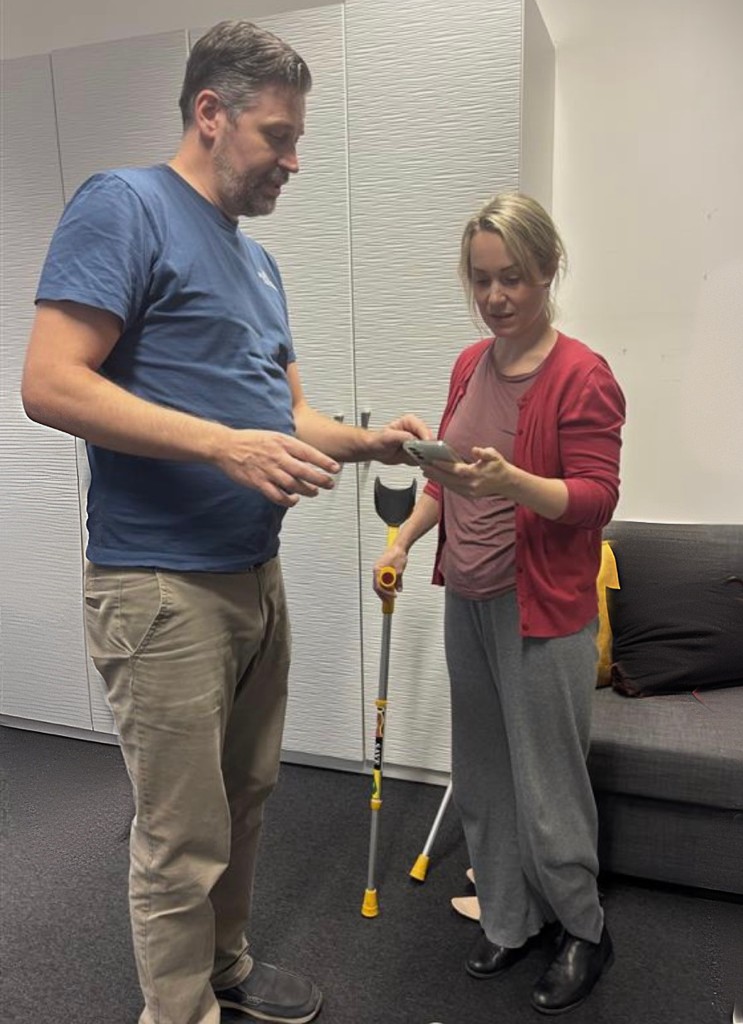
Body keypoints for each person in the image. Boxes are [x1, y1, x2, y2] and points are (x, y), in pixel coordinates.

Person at [21, 20, 429, 1024]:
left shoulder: (258, 267)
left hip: (252, 576)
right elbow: (50, 383)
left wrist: (370, 445)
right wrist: (220, 447)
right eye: (277, 136)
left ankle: (224, 967)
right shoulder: (124, 206)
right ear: (211, 113)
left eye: (296, 140)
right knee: (180, 834)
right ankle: (178, 1011)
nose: (292, 160)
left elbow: (288, 418)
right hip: (159, 586)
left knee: (244, 799)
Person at [373, 193, 625, 1015]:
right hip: (469, 596)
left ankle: (583, 929)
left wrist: (513, 481)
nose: (494, 297)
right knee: (482, 774)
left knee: (548, 786)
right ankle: (510, 920)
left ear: (547, 269)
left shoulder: (581, 375)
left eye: (511, 278)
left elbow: (595, 498)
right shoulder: (467, 366)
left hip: (541, 607)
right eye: (480, 280)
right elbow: (448, 482)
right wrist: (403, 540)